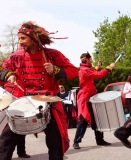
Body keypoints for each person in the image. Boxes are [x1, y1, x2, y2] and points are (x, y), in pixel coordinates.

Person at [0, 21, 78, 160]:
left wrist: (56, 70)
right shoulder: (17, 56)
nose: (20, 42)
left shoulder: (52, 55)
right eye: (19, 39)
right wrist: (9, 74)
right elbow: (3, 68)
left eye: (23, 38)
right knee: (6, 141)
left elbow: (73, 71)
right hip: (26, 103)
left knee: (55, 144)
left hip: (49, 103)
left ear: (34, 38)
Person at [73, 52, 116, 149]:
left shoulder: (85, 69)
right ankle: (76, 141)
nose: (92, 61)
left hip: (90, 96)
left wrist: (98, 66)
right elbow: (98, 74)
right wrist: (109, 67)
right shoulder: (85, 70)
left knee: (97, 118)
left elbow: (93, 73)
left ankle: (100, 140)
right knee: (83, 119)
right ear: (87, 60)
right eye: (91, 59)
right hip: (85, 98)